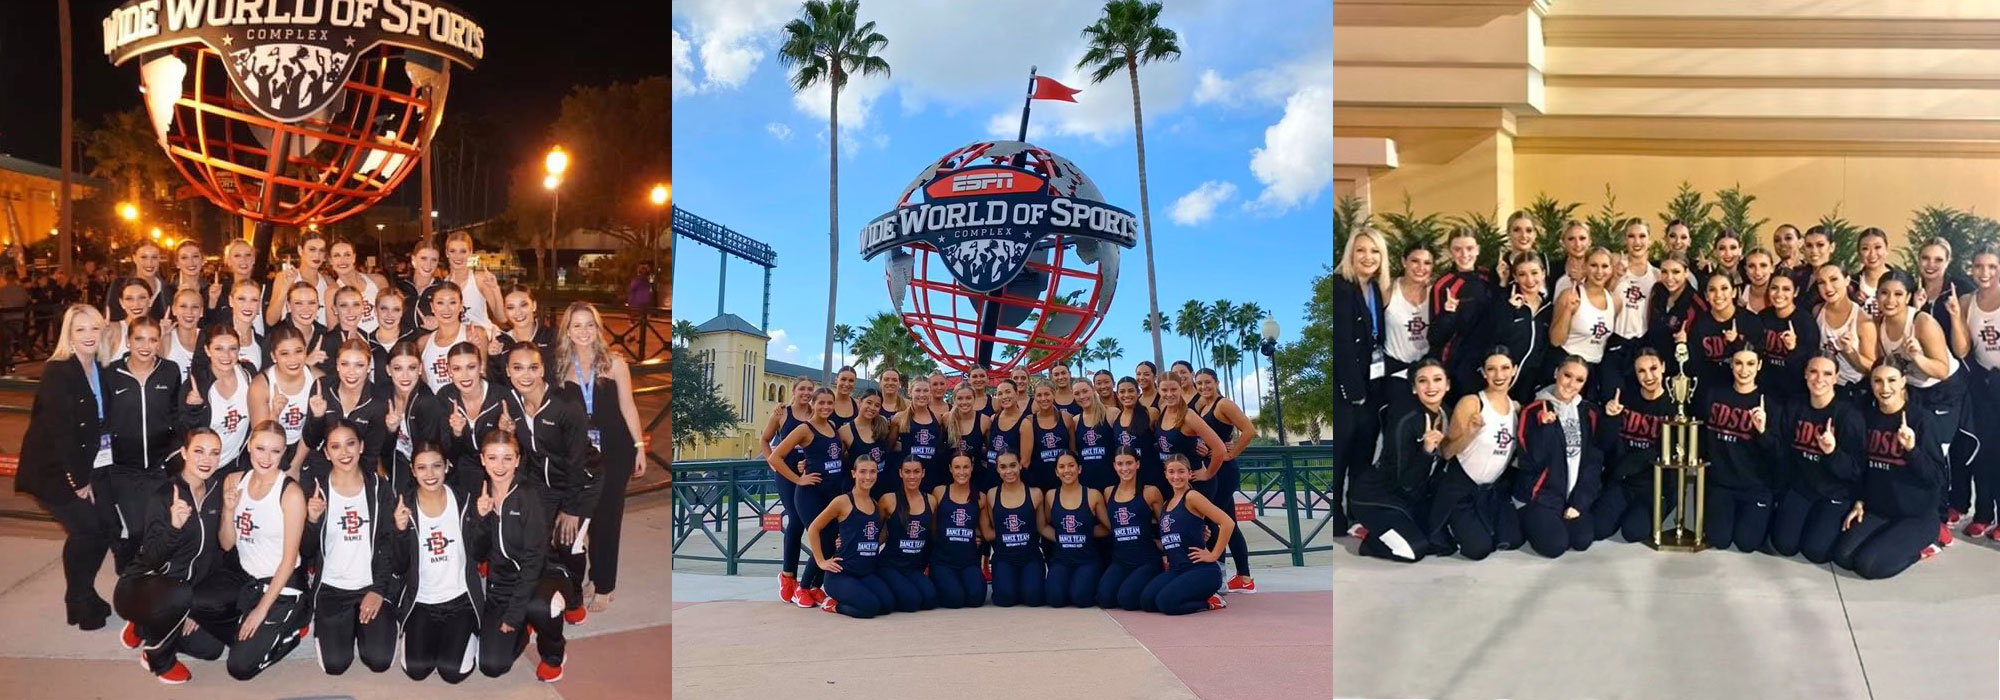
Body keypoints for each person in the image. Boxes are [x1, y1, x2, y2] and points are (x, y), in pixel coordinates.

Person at [15, 304, 116, 629]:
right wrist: (79, 480)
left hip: (87, 464)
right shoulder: (58, 371)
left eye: (94, 328)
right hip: (55, 470)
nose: (88, 336)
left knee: (101, 529)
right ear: (68, 336)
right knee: (88, 529)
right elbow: (63, 433)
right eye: (80, 330)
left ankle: (81, 594)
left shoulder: (101, 368)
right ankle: (78, 598)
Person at [112, 429, 228, 684]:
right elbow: (151, 557)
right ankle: (156, 658)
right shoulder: (165, 495)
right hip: (141, 585)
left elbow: (210, 555)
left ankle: (144, 625)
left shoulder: (215, 493)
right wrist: (174, 528)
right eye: (198, 451)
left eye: (214, 453)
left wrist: (193, 609)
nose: (206, 459)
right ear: (184, 453)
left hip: (185, 591)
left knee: (211, 649)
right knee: (177, 594)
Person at [554, 303, 645, 612]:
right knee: (582, 520)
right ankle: (593, 573)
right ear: (567, 330)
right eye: (577, 325)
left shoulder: (616, 363)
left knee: (607, 520)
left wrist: (639, 446)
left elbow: (628, 406)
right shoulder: (560, 368)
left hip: (615, 449)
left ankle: (605, 585)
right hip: (577, 454)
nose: (583, 331)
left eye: (589, 325)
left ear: (598, 328)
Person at [502, 343, 598, 631]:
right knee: (535, 542)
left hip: (581, 482)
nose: (526, 374)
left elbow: (577, 461)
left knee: (569, 542)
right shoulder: (511, 403)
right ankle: (540, 601)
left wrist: (570, 509)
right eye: (517, 368)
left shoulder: (565, 406)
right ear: (508, 372)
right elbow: (527, 450)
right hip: (541, 483)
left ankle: (575, 598)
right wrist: (508, 432)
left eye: (533, 367)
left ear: (542, 369)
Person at [1874, 271, 1965, 549]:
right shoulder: (1881, 322)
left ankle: (1937, 525)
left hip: (1943, 391)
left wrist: (1917, 357)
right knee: (1913, 452)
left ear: (1909, 296)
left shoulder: (1922, 323)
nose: (1890, 300)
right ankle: (1918, 513)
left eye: (1898, 294)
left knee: (1935, 454)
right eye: (1884, 293)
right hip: (1913, 391)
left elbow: (1942, 369)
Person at [214, 421, 310, 680]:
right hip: (247, 580)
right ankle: (254, 628)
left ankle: (291, 629)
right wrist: (229, 510)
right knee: (199, 609)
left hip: (281, 587)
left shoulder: (290, 494)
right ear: (248, 447)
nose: (266, 458)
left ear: (283, 453)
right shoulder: (234, 481)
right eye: (260, 448)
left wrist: (261, 610)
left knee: (240, 667)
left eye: (275, 451)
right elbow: (226, 544)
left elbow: (289, 560)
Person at [301, 421, 398, 675]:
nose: (344, 453)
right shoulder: (316, 489)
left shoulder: (379, 487)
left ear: (361, 446)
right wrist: (311, 521)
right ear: (326, 453)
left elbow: (388, 542)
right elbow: (306, 551)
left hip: (370, 584)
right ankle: (345, 624)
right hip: (333, 589)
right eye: (335, 446)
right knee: (335, 666)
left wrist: (379, 589)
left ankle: (378, 621)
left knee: (378, 661)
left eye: (350, 444)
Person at [468, 431, 564, 682]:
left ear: (518, 460)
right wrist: (482, 517)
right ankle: (524, 626)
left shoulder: (528, 495)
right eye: (493, 458)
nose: (500, 466)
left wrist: (514, 613)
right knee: (491, 665)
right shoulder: (482, 493)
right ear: (482, 460)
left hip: (539, 577)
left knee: (542, 607)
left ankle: (554, 654)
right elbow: (477, 553)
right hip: (500, 585)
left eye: (507, 458)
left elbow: (534, 559)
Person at [1835, 365, 1946, 578]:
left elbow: (1936, 477)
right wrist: (1859, 501)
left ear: (1903, 381)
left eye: (1892, 380)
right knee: (1843, 557)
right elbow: (1860, 467)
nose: (1884, 387)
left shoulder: (1922, 420)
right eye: (1877, 381)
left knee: (1868, 566)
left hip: (1916, 515)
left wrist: (1912, 450)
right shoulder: (1866, 417)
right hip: (1879, 510)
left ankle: (1925, 548)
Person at [390, 444, 480, 684]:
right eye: (422, 468)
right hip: (422, 601)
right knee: (417, 670)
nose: (430, 474)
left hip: (460, 600)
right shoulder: (404, 505)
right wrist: (399, 530)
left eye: (436, 466)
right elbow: (398, 566)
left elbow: (481, 551)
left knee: (452, 672)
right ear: (412, 470)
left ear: (447, 467)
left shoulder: (464, 499)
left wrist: (481, 518)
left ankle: (468, 635)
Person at [103, 318, 184, 571]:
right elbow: (102, 421)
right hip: (123, 468)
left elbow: (175, 414)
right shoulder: (110, 374)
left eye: (152, 339)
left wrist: (174, 453)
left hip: (160, 467)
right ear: (128, 341)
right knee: (136, 528)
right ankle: (127, 570)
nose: (146, 345)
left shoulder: (170, 371)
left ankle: (149, 576)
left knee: (156, 527)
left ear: (160, 342)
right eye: (139, 338)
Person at [1767, 357, 1866, 563]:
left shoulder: (1848, 416)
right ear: (1805, 374)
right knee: (1784, 545)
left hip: (1834, 492)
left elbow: (1856, 470)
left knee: (1816, 552)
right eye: (1813, 372)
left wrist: (1832, 452)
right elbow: (1783, 453)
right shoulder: (1795, 406)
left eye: (1827, 373)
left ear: (1836, 378)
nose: (1819, 378)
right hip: (1802, 488)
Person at [1432, 348, 1524, 559]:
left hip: (1490, 490)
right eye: (1491, 369)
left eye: (1505, 368)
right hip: (1461, 488)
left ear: (1514, 370)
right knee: (1478, 550)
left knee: (1512, 540)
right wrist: (1469, 435)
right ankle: (1448, 523)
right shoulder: (1472, 403)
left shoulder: (1515, 408)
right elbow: (1446, 452)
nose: (1499, 375)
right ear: (1483, 373)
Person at [1351, 360, 1446, 562]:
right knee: (1414, 550)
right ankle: (1370, 540)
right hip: (1378, 497)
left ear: (1447, 384)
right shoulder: (1405, 419)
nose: (1431, 387)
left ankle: (1399, 527)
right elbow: (1406, 482)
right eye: (1423, 381)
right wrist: (1426, 451)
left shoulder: (1447, 413)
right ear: (1414, 387)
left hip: (1411, 498)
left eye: (1437, 379)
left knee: (1441, 543)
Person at [1512, 355, 1604, 558]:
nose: (1571, 384)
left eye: (1579, 380)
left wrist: (1579, 502)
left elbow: (1593, 462)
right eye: (1567, 375)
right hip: (1539, 498)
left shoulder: (1589, 412)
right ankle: (1523, 517)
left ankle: (1558, 518)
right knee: (1554, 546)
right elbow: (1530, 462)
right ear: (1556, 373)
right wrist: (1545, 429)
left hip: (1570, 497)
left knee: (1582, 540)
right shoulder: (1533, 411)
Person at [768, 388, 849, 608]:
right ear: (812, 404)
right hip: (810, 494)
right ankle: (802, 588)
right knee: (821, 539)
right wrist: (798, 479)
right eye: (821, 403)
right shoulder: (805, 428)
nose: (825, 407)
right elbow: (776, 457)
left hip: (831, 493)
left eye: (829, 403)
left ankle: (815, 586)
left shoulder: (832, 426)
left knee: (831, 540)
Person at [1592, 349, 1675, 543]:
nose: (1649, 376)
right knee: (1598, 528)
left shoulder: (1674, 406)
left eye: (1653, 368)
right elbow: (1605, 443)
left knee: (1633, 532)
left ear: (1663, 367)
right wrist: (1610, 419)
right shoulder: (1624, 400)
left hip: (1655, 486)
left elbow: (1672, 454)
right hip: (1623, 481)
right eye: (1642, 371)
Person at [1701, 347, 1777, 552]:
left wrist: (1762, 431)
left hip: (1755, 487)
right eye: (1739, 363)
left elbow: (1775, 453)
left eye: (1751, 363)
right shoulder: (1714, 395)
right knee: (1719, 540)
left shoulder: (1769, 403)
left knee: (1747, 543)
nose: (1744, 370)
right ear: (1731, 364)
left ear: (1759, 365)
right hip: (1721, 484)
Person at [1139, 454, 1233, 615]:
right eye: (1172, 472)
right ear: (1166, 474)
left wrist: (1213, 555)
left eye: (1181, 472)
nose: (1176, 476)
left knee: (1166, 603)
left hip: (1201, 570)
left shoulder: (1192, 497)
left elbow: (1227, 523)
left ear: (1189, 474)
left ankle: (1209, 602)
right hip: (1177, 569)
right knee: (1147, 601)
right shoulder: (1167, 503)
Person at [805, 455, 895, 617]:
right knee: (869, 608)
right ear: (854, 473)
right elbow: (814, 528)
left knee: (887, 604)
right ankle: (832, 605)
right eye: (863, 472)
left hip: (865, 573)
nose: (868, 476)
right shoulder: (843, 502)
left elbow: (876, 533)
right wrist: (821, 561)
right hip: (841, 574)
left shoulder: (875, 503)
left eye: (872, 472)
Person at [1951, 245, 2000, 537]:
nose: (1985, 272)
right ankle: (1982, 512)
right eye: (1979, 266)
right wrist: (1957, 316)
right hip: (1984, 383)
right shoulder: (1968, 301)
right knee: (1984, 450)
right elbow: (1963, 349)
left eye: (1992, 266)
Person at [760, 377, 817, 601]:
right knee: (795, 518)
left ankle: (811, 580)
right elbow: (765, 440)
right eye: (802, 388)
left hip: (809, 471)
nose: (806, 392)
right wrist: (771, 462)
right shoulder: (783, 413)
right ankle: (788, 575)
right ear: (794, 390)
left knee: (812, 521)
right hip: (786, 471)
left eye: (810, 389)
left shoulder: (816, 413)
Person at [302, 339, 389, 483]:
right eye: (345, 364)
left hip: (358, 473)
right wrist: (318, 417)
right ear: (337, 365)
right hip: (321, 467)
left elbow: (371, 455)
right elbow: (311, 442)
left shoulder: (378, 401)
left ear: (369, 367)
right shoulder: (322, 387)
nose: (351, 372)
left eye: (359, 365)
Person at [181, 324, 255, 475]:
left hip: (235, 466)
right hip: (201, 469)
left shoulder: (249, 375)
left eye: (232, 348)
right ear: (207, 350)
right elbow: (184, 433)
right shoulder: (195, 385)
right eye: (219, 349)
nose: (226, 356)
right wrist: (193, 410)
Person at [249, 325, 322, 476]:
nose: (293, 359)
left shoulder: (318, 379)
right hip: (272, 450)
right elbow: (261, 441)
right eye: (284, 354)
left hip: (306, 446)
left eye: (298, 351)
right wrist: (274, 415)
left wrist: (295, 466)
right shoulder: (260, 385)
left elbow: (315, 429)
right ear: (274, 356)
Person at [1550, 248, 1617, 401]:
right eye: (1594, 265)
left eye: (1605, 266)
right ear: (1585, 266)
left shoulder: (1614, 300)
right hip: (1568, 367)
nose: (1599, 271)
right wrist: (1568, 310)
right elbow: (1555, 340)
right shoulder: (1570, 295)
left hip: (1593, 371)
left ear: (1611, 268)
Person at [1040, 452, 1105, 608]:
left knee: (1080, 598)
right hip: (1061, 561)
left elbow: (1108, 527)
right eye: (1061, 467)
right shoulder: (1050, 496)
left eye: (1071, 465)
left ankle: (1086, 583)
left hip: (1087, 560)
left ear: (1079, 469)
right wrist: (1061, 536)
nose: (1067, 470)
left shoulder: (1093, 495)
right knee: (1055, 599)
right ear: (1056, 472)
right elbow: (1043, 525)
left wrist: (1086, 534)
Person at [380, 340, 444, 495]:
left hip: (425, 469)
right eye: (397, 368)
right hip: (398, 463)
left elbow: (431, 454)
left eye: (412, 368)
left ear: (420, 369)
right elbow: (382, 450)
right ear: (388, 370)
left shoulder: (426, 402)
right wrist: (390, 430)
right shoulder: (382, 396)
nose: (405, 376)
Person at [875, 458, 939, 612]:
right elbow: (875, 530)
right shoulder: (888, 500)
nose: (912, 476)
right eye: (907, 472)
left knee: (930, 599)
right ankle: (882, 590)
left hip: (913, 568)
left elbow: (934, 535)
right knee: (911, 601)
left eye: (916, 471)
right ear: (900, 473)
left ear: (923, 473)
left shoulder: (931, 500)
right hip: (890, 565)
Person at [983, 452, 1045, 607]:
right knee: (1005, 599)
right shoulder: (991, 494)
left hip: (1030, 556)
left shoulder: (1035, 494)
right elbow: (989, 531)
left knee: (1033, 598)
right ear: (997, 469)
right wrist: (1007, 536)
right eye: (1003, 467)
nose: (1008, 471)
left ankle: (1026, 584)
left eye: (1013, 465)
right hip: (1004, 557)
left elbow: (1042, 528)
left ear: (1020, 465)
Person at [928, 453, 986, 608]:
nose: (962, 472)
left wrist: (977, 537)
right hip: (943, 561)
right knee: (955, 599)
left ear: (972, 468)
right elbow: (932, 527)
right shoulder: (939, 492)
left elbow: (982, 529)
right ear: (950, 469)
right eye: (957, 467)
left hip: (968, 561)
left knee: (976, 598)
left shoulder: (980, 497)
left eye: (966, 467)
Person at [1815, 264, 1879, 403]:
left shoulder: (1863, 322)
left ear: (1847, 280)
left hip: (1853, 393)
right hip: (1822, 388)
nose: (1828, 287)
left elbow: (1872, 368)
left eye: (1834, 279)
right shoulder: (1817, 311)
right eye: (1822, 282)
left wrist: (1851, 352)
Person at [1381, 245, 1434, 408]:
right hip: (1394, 370)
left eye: (1427, 263)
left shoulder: (1435, 291)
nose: (1421, 267)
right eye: (1415, 261)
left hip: (1427, 370)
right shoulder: (1388, 290)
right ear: (1404, 262)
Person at [1758, 273, 1820, 403]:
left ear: (1795, 292)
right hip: (1766, 389)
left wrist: (1794, 348)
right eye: (1774, 288)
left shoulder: (1806, 322)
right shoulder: (1763, 316)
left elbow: (1811, 362)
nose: (1779, 294)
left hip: (1795, 393)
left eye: (1786, 289)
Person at [418, 282, 491, 393]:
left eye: (452, 302)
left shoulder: (475, 333)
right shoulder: (423, 342)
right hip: (437, 407)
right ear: (432, 307)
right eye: (440, 303)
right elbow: (425, 384)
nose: (446, 309)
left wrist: (474, 352)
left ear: (461, 306)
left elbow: (483, 375)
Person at [492, 285, 558, 387]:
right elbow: (496, 385)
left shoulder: (552, 337)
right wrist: (493, 357)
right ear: (505, 311)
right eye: (511, 307)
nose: (518, 312)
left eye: (523, 305)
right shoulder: (500, 344)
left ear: (534, 305)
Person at [892, 379, 949, 492]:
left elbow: (940, 445)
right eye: (918, 390)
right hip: (908, 477)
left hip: (932, 477)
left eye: (926, 391)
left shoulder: (938, 418)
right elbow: (890, 446)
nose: (922, 395)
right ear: (910, 392)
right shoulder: (900, 418)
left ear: (930, 393)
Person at [442, 232, 505, 332]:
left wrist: (495, 289)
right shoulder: (444, 284)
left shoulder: (479, 280)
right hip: (459, 341)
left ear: (470, 252)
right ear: (447, 253)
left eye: (463, 251)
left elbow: (502, 318)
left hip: (483, 336)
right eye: (453, 251)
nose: (458, 256)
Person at [1020, 381, 1076, 492]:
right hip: (1038, 481)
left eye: (1047, 394)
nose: (1043, 398)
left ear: (1054, 395)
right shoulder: (1029, 422)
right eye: (1039, 395)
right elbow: (1025, 461)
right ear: (1034, 397)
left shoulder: (1066, 419)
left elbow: (1073, 452)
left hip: (1064, 480)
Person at [265, 232, 330, 326]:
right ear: (300, 250)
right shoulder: (284, 277)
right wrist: (285, 289)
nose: (317, 255)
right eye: (312, 249)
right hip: (291, 337)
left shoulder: (328, 282)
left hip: (320, 338)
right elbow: (270, 320)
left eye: (321, 250)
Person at [1110, 377, 1163, 490]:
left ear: (1138, 392)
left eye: (1131, 391)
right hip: (1127, 477)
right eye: (1122, 392)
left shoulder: (1151, 413)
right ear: (1117, 395)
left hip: (1151, 476)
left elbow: (1166, 436)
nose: (1126, 395)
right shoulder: (1115, 418)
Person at [327, 238, 389, 332]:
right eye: (337, 256)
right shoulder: (332, 292)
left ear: (354, 258)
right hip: (356, 344)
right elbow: (333, 330)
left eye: (347, 255)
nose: (342, 260)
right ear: (331, 261)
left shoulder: (378, 280)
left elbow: (391, 310)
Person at [846, 389, 896, 499]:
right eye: (869, 403)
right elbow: (837, 458)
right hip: (861, 490)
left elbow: (891, 447)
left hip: (884, 486)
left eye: (877, 405)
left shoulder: (882, 425)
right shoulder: (846, 431)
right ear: (860, 402)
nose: (872, 408)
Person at [945, 384, 992, 491]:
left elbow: (990, 450)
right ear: (954, 400)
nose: (964, 402)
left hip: (976, 478)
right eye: (960, 398)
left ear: (974, 399)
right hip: (950, 478)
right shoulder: (946, 419)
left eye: (968, 398)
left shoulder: (984, 421)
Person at [1071, 380, 1116, 491]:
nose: (1082, 396)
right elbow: (1074, 451)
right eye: (1077, 394)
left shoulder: (1111, 414)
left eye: (1085, 391)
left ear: (1093, 390)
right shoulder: (1075, 421)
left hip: (1111, 480)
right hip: (1086, 483)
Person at [368, 289, 416, 388]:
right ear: (375, 311)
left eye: (396, 309)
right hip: (379, 401)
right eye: (384, 309)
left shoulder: (415, 338)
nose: (389, 315)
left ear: (402, 312)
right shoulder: (366, 343)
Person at [396, 243, 444, 332]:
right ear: (413, 260)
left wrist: (440, 323)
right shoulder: (400, 287)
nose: (428, 264)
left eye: (434, 260)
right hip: (403, 343)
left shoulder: (443, 289)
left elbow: (454, 320)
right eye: (423, 258)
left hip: (431, 342)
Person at [1853, 227, 1894, 318]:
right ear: (1859, 253)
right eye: (1865, 248)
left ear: (1886, 249)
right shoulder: (1851, 284)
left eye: (1877, 247)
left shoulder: (1903, 281)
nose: (1872, 254)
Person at [165, 289, 203, 383]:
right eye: (183, 306)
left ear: (201, 311)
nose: (189, 312)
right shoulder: (166, 338)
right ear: (174, 310)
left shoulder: (209, 338)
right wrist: (161, 336)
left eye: (195, 307)